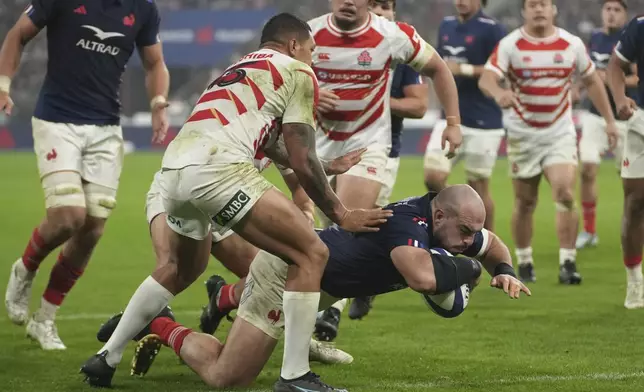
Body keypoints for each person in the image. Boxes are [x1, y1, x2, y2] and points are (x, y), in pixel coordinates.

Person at [80, 13, 391, 392]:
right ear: (294, 45)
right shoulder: (297, 70)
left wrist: (327, 164)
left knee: (180, 268)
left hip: (174, 172)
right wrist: (340, 212)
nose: (313, 60)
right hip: (219, 169)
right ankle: (295, 375)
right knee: (311, 253)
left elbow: (273, 145)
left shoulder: (240, 67)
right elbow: (300, 157)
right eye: (311, 51)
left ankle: (106, 357)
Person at [95, 185, 531, 390]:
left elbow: (490, 244)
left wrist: (505, 267)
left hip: (312, 283)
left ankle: (209, 304)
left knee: (236, 363)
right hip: (288, 275)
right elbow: (422, 277)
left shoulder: (450, 227)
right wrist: (471, 272)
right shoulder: (408, 224)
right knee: (228, 376)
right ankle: (160, 324)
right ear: (439, 218)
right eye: (465, 230)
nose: (469, 240)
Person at [2, 0, 169, 350]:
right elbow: (18, 34)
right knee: (68, 217)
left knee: (92, 227)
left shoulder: (143, 8)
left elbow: (154, 62)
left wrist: (158, 105)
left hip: (106, 129)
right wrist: (4, 84)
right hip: (57, 120)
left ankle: (45, 318)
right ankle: (26, 268)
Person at [479, 0, 618, 284]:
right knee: (525, 201)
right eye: (532, 5)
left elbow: (592, 81)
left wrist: (609, 120)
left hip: (559, 132)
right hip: (522, 135)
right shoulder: (511, 44)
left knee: (565, 193)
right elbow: (487, 78)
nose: (539, 9)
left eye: (544, 4)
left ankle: (568, 262)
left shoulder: (571, 44)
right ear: (524, 11)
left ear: (553, 9)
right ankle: (525, 260)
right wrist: (498, 93)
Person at [322, 0, 431, 327]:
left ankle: (329, 313)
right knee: (342, 227)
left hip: (377, 150)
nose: (381, 12)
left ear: (394, 13)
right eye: (374, 6)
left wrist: (374, 97)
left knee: (341, 230)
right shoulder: (335, 47)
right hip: (332, 148)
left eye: (386, 6)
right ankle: (365, 284)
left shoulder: (402, 51)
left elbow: (419, 105)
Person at [308, 0, 462, 225]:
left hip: (367, 144)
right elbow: (282, 83)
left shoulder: (393, 36)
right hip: (319, 146)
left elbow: (439, 68)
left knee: (345, 230)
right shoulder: (307, 34)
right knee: (331, 230)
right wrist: (311, 95)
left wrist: (453, 122)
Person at [423, 0, 505, 233]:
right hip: (450, 116)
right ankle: (459, 216)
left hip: (484, 119)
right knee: (433, 176)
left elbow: (502, 70)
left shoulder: (493, 28)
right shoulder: (446, 26)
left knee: (479, 186)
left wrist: (465, 69)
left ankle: (485, 243)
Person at [576, 0, 636, 249]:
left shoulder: (632, 39)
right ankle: (589, 231)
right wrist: (577, 89)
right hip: (594, 115)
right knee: (587, 169)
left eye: (616, 10)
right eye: (607, 9)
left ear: (625, 14)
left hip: (626, 118)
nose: (611, 14)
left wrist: (609, 79)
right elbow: (586, 74)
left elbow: (636, 77)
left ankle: (633, 226)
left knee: (630, 179)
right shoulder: (595, 38)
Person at [606, 13, 644, 308]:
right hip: (641, 123)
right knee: (635, 201)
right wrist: (619, 99)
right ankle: (634, 282)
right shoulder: (640, 25)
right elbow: (615, 66)